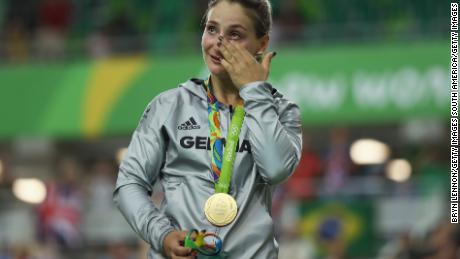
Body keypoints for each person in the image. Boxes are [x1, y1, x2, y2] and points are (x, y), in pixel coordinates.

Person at [113, 0, 302, 258]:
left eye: (234, 34)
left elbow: (276, 168)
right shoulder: (169, 106)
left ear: (262, 44)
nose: (218, 43)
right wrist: (162, 234)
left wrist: (255, 93)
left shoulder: (281, 111)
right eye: (212, 29)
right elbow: (129, 182)